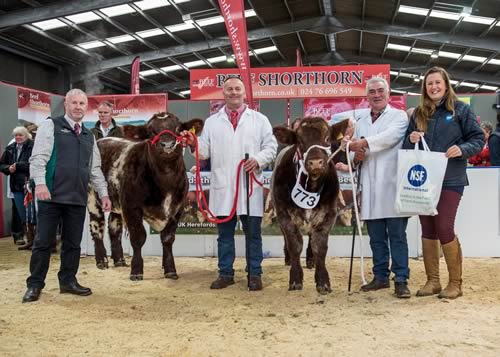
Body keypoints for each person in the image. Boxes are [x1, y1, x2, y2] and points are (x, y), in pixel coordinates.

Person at [183, 76, 277, 291]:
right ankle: (225, 273)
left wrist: (258, 160)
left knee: (253, 235)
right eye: (229, 90)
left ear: (244, 93)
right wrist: (193, 143)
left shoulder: (259, 120)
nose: (233, 93)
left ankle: (255, 274)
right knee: (224, 235)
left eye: (237, 89)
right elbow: (205, 151)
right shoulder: (212, 122)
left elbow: (271, 147)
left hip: (249, 186)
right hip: (223, 187)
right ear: (223, 94)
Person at [22, 88, 112, 303]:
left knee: (73, 244)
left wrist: (104, 193)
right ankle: (35, 285)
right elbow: (38, 158)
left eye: (82, 103)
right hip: (50, 196)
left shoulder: (89, 135)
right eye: (75, 103)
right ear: (66, 104)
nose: (78, 107)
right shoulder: (51, 125)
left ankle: (68, 281)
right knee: (43, 242)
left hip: (77, 198)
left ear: (86, 107)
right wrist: (41, 184)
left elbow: (95, 169)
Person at [403, 66, 484, 299]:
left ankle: (455, 283)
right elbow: (406, 150)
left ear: (446, 85)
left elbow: (478, 138)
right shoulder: (418, 114)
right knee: (428, 228)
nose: (434, 87)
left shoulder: (461, 110)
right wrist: (411, 138)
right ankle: (433, 281)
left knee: (444, 227)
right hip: (423, 180)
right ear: (424, 88)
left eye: (438, 83)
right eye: (430, 84)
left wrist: (463, 149)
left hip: (451, 178)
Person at [344, 77, 411, 298]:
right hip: (369, 187)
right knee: (376, 237)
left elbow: (389, 138)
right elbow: (353, 155)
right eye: (371, 91)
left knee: (397, 235)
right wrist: (356, 155)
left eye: (380, 90)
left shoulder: (399, 116)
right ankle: (380, 276)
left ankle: (401, 278)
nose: (376, 94)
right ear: (367, 95)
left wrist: (362, 144)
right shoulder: (360, 120)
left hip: (392, 184)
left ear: (388, 93)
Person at [0, 126, 34, 246]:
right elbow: (1, 164)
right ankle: (29, 239)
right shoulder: (10, 149)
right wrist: (8, 168)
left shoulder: (33, 146)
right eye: (16, 135)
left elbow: (35, 163)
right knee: (22, 213)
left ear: (26, 136)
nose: (18, 137)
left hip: (30, 185)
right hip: (16, 186)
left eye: (20, 135)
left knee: (32, 213)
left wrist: (17, 166)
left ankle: (36, 239)